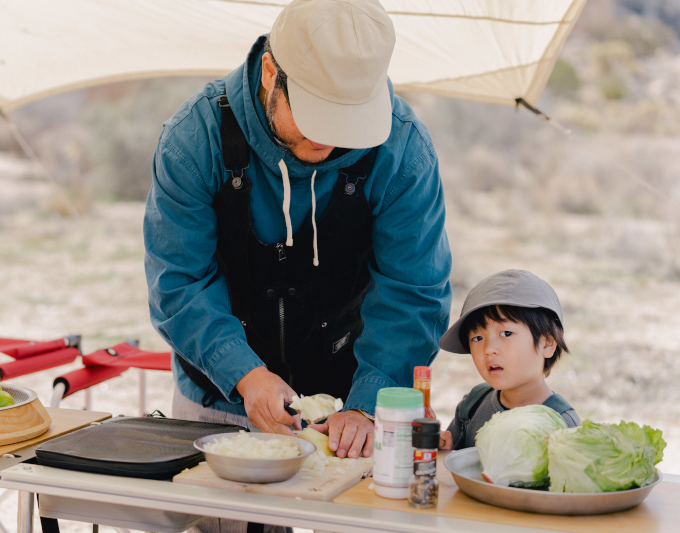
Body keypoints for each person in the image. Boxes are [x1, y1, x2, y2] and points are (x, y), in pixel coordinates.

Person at [144, 0, 452, 462]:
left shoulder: (403, 151)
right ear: (271, 72)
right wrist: (243, 372)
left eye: (346, 118)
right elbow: (179, 281)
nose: (327, 138)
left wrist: (370, 404)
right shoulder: (194, 139)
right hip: (221, 393)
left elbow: (413, 292)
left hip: (356, 396)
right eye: (314, 114)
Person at [438, 269, 581, 451]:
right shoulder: (472, 405)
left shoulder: (564, 424)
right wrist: (445, 449)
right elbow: (455, 465)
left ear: (547, 344)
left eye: (506, 333)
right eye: (477, 338)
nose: (489, 349)